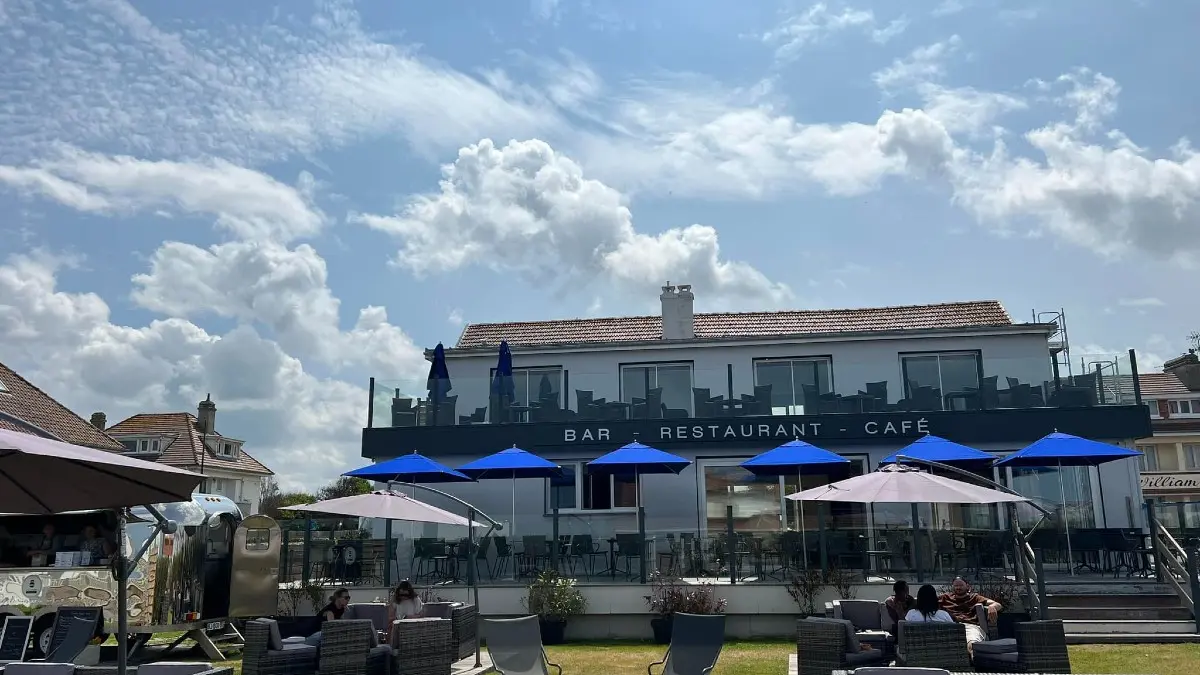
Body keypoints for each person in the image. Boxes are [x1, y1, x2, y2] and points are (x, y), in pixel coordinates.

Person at [939, 576, 1001, 649]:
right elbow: (927, 603)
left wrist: (992, 607)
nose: (958, 588)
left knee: (972, 644)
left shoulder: (974, 597)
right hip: (950, 626)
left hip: (969, 627)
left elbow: (998, 605)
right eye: (956, 586)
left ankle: (974, 658)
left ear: (967, 586)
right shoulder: (945, 598)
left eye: (961, 585)